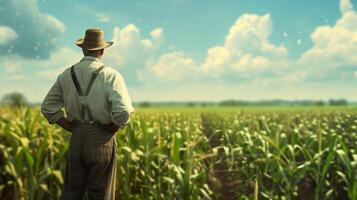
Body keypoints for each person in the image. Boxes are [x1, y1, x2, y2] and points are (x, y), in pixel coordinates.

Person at [41, 28, 134, 200]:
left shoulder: (66, 75)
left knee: (72, 192)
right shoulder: (111, 75)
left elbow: (48, 107)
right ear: (102, 50)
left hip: (77, 137)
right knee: (100, 193)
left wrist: (70, 127)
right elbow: (123, 112)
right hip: (101, 137)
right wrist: (112, 127)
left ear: (83, 49)